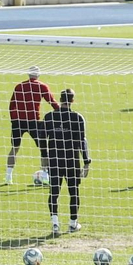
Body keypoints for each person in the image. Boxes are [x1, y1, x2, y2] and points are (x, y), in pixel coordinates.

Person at [35, 87, 90, 236]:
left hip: (54, 159)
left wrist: (44, 156)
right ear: (72, 100)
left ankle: (55, 224)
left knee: (54, 192)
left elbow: (41, 138)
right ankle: (73, 223)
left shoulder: (49, 117)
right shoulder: (77, 118)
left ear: (60, 99)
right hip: (72, 160)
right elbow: (82, 141)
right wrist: (86, 161)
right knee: (74, 191)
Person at [5, 66, 57, 184]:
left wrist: (14, 119)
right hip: (34, 121)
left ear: (28, 74)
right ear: (38, 75)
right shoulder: (42, 86)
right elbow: (51, 101)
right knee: (44, 149)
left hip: (18, 121)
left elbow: (12, 105)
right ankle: (46, 174)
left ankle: (8, 177)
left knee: (14, 148)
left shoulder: (19, 86)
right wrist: (62, 113)